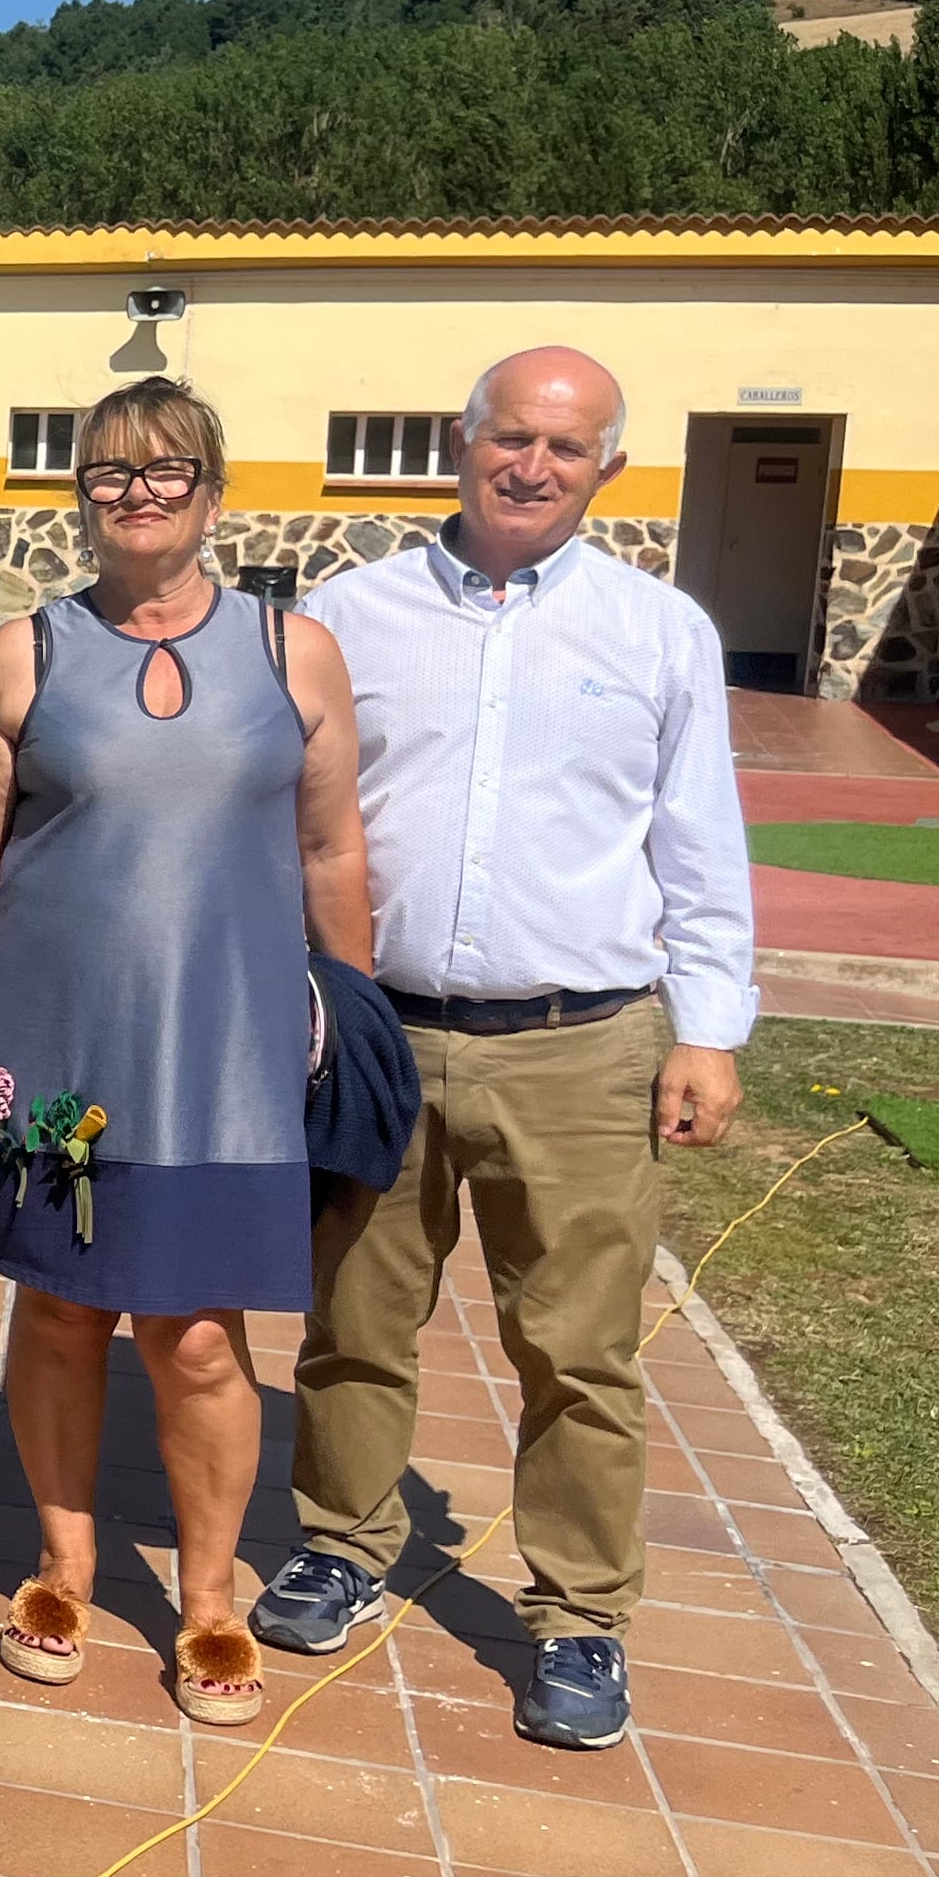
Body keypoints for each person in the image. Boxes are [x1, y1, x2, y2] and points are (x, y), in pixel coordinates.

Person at [262, 348, 752, 1753]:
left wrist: (709, 1031)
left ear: (610, 467)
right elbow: (297, 826)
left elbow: (699, 844)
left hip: (584, 1047)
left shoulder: (661, 634)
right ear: (460, 445)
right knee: (353, 1322)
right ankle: (341, 1546)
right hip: (384, 1034)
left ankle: (581, 1615)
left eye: (565, 445)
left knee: (582, 1350)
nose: (531, 466)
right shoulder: (351, 616)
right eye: (507, 439)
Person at [0, 376, 373, 1725]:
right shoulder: (24, 654)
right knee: (58, 1307)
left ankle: (212, 1601)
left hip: (227, 1065)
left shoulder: (296, 653)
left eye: (167, 467)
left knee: (202, 1339)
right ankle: (63, 1565)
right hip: (58, 1066)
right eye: (111, 469)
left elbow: (333, 850)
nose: (139, 489)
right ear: (82, 494)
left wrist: (355, 1029)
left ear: (214, 487)